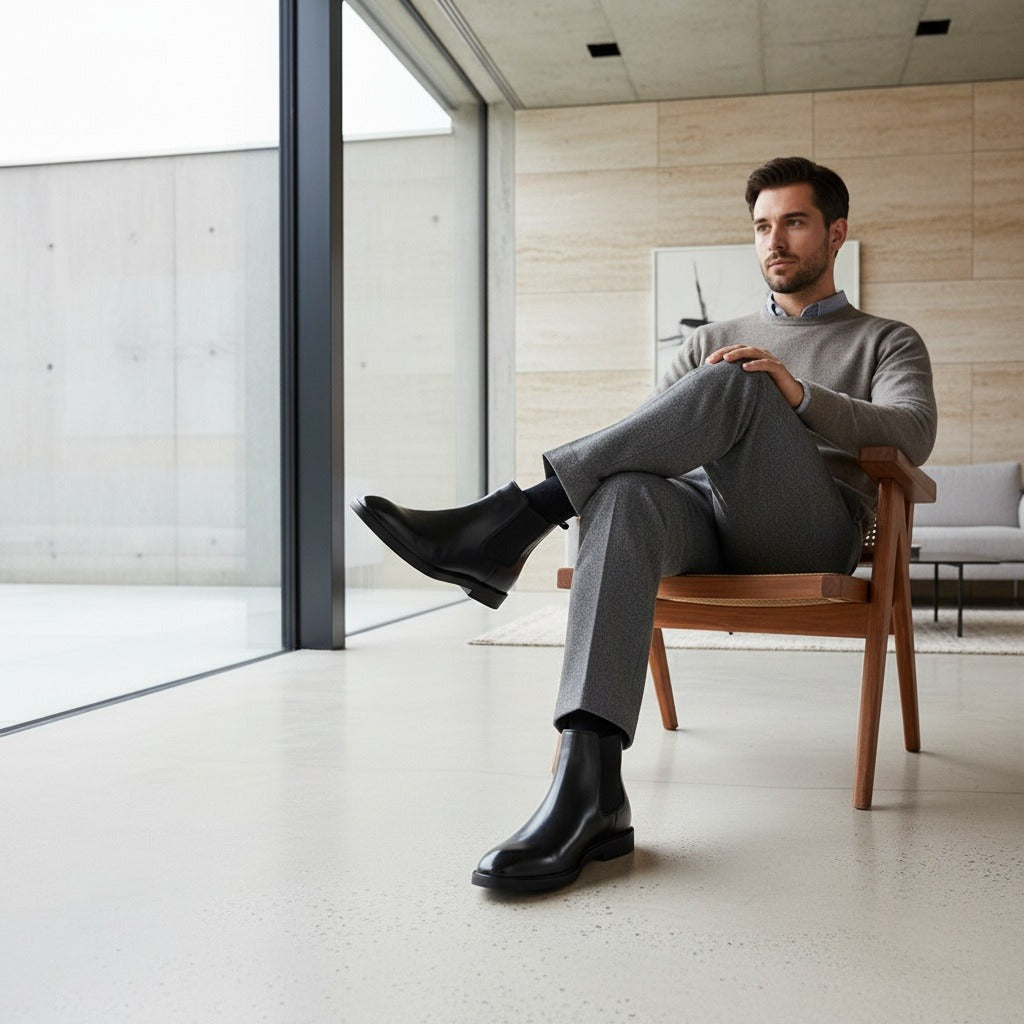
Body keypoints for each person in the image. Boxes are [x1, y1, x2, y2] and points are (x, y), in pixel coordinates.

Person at [352, 156, 938, 894]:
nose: (775, 240)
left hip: (807, 530)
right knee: (626, 490)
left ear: (836, 233)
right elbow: (643, 441)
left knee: (742, 381)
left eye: (793, 222)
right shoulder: (711, 337)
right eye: (762, 226)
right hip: (702, 522)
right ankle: (589, 790)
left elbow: (913, 434)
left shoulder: (886, 339)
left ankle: (514, 521)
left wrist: (795, 394)